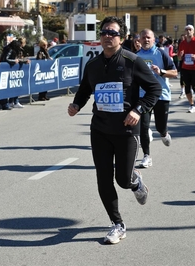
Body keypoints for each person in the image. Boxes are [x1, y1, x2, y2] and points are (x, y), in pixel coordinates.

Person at [67, 16, 162, 245]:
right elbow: (85, 89)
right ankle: (117, 224)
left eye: (113, 33)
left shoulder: (133, 61)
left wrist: (138, 110)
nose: (108, 36)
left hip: (127, 131)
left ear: (121, 37)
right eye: (104, 32)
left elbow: (154, 89)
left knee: (122, 179)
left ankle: (135, 181)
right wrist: (76, 104)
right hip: (100, 129)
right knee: (103, 178)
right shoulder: (93, 65)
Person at [136, 28, 177, 168]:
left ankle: (164, 133)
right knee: (143, 126)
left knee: (160, 126)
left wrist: (161, 72)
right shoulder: (135, 56)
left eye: (148, 37)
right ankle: (147, 156)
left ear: (154, 40)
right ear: (139, 40)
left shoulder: (161, 53)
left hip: (161, 95)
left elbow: (175, 73)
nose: (146, 40)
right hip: (143, 96)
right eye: (143, 38)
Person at [8, 37, 30, 108]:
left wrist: (24, 60)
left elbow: (20, 58)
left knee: (16, 85)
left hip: (18, 68)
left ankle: (13, 101)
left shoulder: (20, 49)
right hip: (15, 69)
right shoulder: (16, 49)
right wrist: (24, 60)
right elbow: (18, 58)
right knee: (15, 85)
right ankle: (14, 101)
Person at [178, 34, 186, 99]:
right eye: (181, 39)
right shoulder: (180, 45)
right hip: (182, 63)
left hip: (190, 64)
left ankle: (190, 90)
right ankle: (182, 92)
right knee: (182, 78)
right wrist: (180, 56)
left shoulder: (190, 44)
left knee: (190, 79)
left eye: (183, 38)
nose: (182, 40)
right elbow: (179, 57)